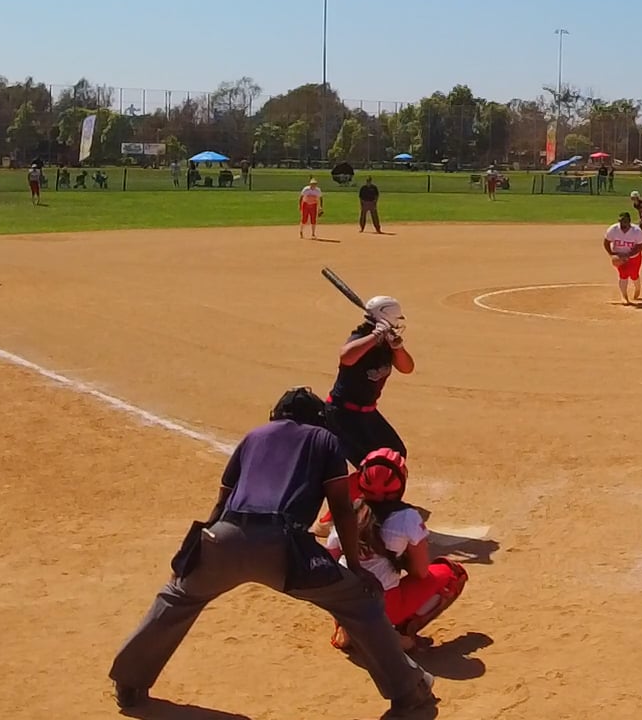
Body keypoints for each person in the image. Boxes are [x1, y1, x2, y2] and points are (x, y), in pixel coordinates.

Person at [107, 390, 436, 718]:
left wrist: (192, 556)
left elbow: (220, 505)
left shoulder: (254, 436)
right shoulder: (324, 439)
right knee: (359, 601)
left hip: (226, 536)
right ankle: (409, 693)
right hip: (284, 546)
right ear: (318, 419)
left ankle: (129, 682)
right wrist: (354, 567)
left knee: (177, 596)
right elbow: (340, 507)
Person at [320, 449, 468, 653]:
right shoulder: (407, 518)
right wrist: (402, 558)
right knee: (452, 574)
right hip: (382, 604)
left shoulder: (348, 510)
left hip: (342, 604)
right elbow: (420, 572)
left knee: (342, 582)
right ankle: (400, 636)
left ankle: (345, 628)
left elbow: (330, 563)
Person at [326, 296, 414, 464]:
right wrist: (374, 337)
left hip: (367, 412)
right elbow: (346, 357)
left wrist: (398, 347)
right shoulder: (362, 335)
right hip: (343, 413)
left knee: (396, 453)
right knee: (372, 463)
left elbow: (407, 368)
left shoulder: (387, 341)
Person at [604, 211, 642, 305]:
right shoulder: (613, 229)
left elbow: (641, 246)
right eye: (620, 221)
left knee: (634, 275)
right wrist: (612, 254)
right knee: (623, 274)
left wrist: (629, 255)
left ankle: (637, 289)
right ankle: (624, 297)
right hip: (619, 256)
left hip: (634, 257)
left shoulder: (636, 231)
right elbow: (606, 242)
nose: (622, 223)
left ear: (629, 221)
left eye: (624, 221)